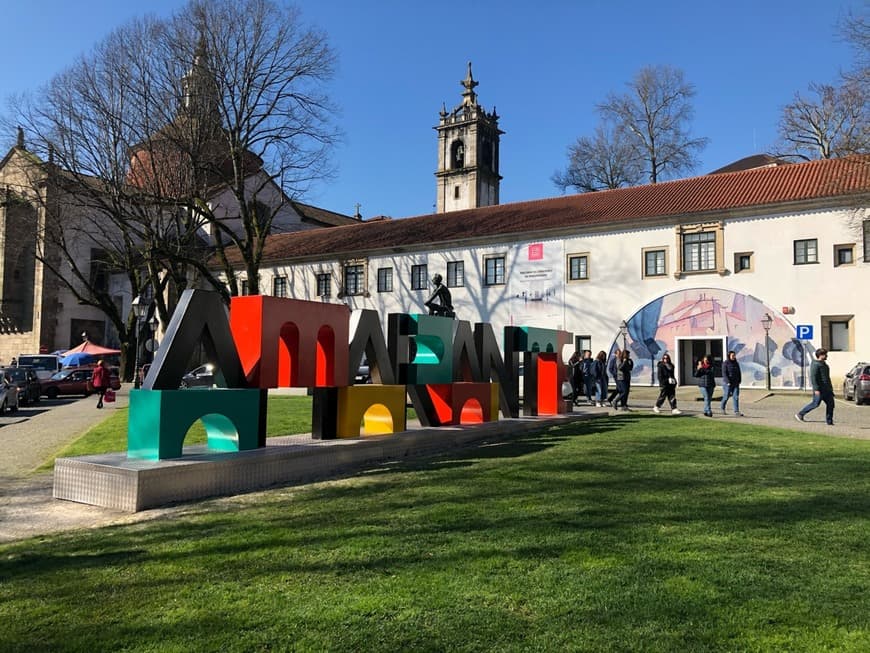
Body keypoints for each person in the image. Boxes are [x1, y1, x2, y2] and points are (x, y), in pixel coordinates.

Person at [795, 348, 835, 425]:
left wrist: (830, 388)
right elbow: (813, 377)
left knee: (831, 404)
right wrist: (816, 389)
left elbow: (827, 378)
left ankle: (829, 421)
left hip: (827, 389)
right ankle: (800, 414)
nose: (826, 356)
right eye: (825, 354)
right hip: (820, 389)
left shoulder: (824, 364)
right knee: (815, 404)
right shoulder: (815, 365)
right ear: (820, 355)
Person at [721, 350, 743, 416]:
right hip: (728, 383)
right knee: (726, 396)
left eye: (734, 355)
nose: (734, 357)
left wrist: (739, 380)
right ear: (729, 356)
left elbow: (739, 372)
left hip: (735, 383)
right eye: (732, 355)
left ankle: (736, 411)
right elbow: (724, 373)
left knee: (736, 397)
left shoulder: (736, 363)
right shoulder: (726, 363)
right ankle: (722, 408)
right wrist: (727, 382)